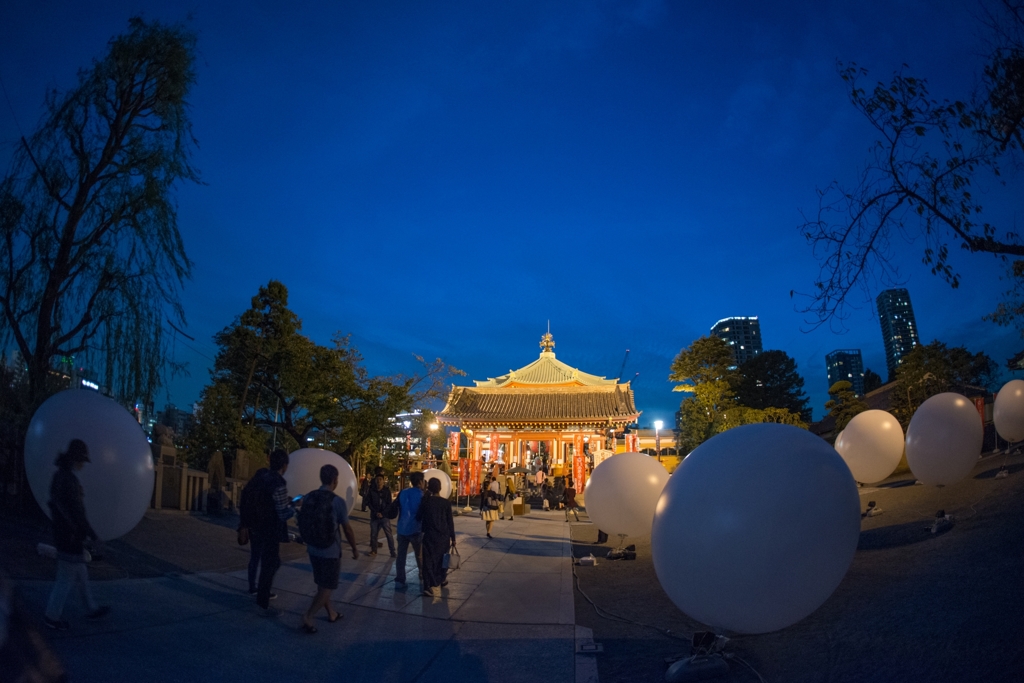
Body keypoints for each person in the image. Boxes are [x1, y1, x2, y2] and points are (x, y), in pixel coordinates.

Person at [43, 439, 109, 629]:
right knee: (65, 578)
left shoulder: (59, 476)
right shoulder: (70, 480)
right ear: (76, 459)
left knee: (80, 573)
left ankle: (91, 608)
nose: (83, 465)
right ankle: (52, 616)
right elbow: (78, 512)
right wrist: (93, 535)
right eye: (82, 461)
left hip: (63, 533)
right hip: (70, 535)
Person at [298, 464, 359, 634]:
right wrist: (354, 549)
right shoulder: (337, 501)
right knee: (327, 587)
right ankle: (308, 616)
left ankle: (331, 613)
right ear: (335, 480)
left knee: (322, 584)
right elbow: (347, 528)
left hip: (312, 548)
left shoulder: (309, 496)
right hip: (330, 550)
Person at [245, 448, 297, 616]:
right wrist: (295, 507)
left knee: (262, 560)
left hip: (256, 526)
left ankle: (260, 592)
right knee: (271, 564)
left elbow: (248, 497)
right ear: (284, 465)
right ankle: (263, 601)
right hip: (270, 529)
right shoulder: (279, 483)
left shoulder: (261, 478)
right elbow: (282, 513)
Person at [416, 477, 455, 597]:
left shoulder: (425, 501)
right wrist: (453, 538)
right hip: (443, 536)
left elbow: (418, 517)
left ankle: (428, 585)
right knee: (442, 560)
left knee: (428, 561)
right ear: (440, 488)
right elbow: (450, 522)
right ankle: (439, 579)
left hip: (429, 536)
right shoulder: (445, 503)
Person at [393, 471, 425, 588]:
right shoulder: (422, 494)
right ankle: (422, 573)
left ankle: (400, 578)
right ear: (421, 481)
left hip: (402, 527)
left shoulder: (403, 492)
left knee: (401, 555)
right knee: (419, 554)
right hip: (416, 529)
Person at [365, 474, 396, 557]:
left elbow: (389, 504)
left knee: (388, 534)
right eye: (377, 479)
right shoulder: (372, 491)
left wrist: (383, 513)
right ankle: (374, 550)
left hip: (384, 516)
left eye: (380, 479)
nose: (379, 481)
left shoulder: (386, 491)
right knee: (374, 534)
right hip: (374, 516)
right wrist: (376, 512)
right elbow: (369, 503)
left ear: (383, 480)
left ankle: (392, 551)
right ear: (375, 480)